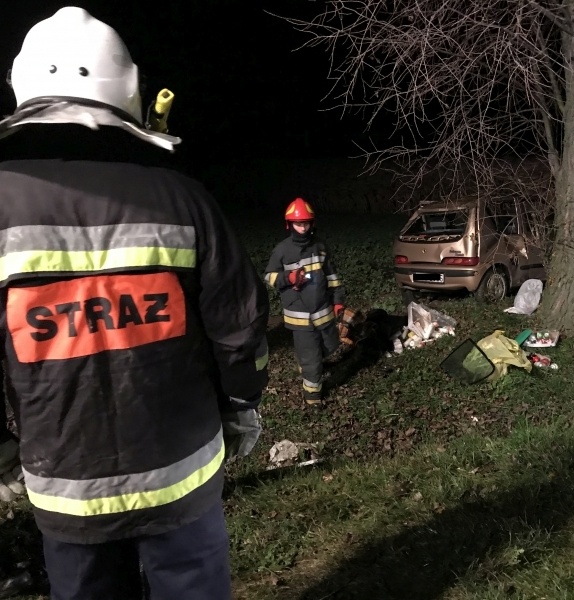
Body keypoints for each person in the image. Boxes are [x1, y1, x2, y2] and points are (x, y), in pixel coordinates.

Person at [0, 7, 269, 600]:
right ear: (129, 92)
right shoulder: (183, 199)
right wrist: (243, 402)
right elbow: (239, 324)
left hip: (65, 490)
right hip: (183, 478)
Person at [264, 198, 345, 407]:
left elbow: (332, 276)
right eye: (298, 224)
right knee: (312, 360)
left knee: (331, 345)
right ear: (289, 225)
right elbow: (269, 276)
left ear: (312, 223)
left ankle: (308, 364)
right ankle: (313, 397)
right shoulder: (282, 250)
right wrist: (288, 278)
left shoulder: (320, 246)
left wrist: (337, 301)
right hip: (299, 314)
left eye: (306, 223)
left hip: (323, 310)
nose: (302, 227)